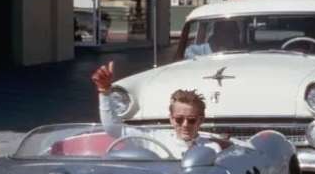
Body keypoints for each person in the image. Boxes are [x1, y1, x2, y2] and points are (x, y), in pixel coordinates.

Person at [91, 61, 223, 157]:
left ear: (201, 120)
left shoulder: (212, 149)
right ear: (171, 119)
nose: (185, 125)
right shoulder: (156, 139)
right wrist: (104, 91)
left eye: (192, 120)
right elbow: (114, 128)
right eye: (179, 119)